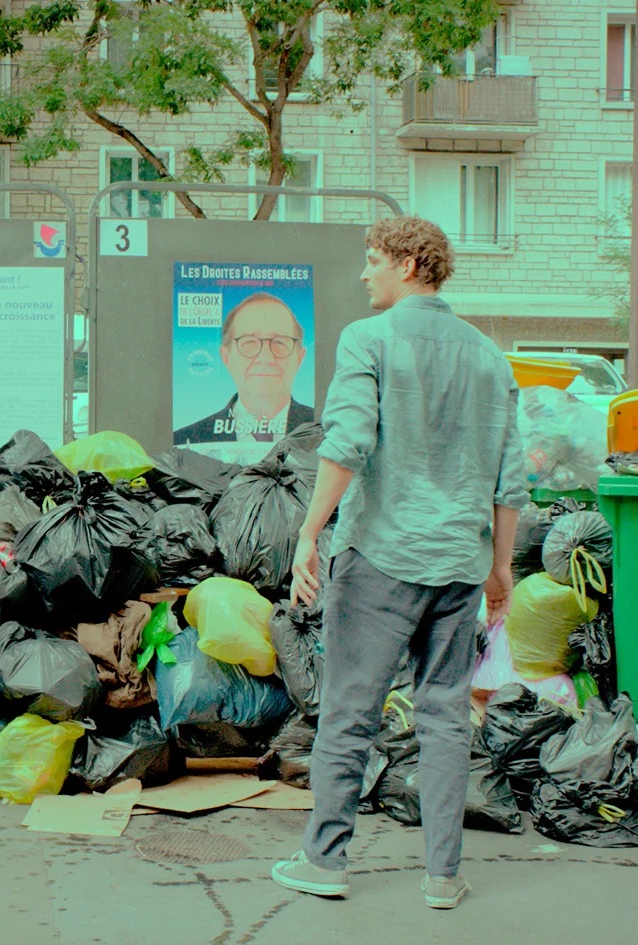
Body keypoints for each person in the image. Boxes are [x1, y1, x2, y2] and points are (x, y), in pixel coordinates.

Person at [269, 216, 526, 910]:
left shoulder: (368, 338)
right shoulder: (490, 357)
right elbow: (510, 480)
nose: (365, 273)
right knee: (445, 715)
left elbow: (347, 443)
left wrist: (308, 533)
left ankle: (325, 860)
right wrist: (500, 568)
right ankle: (443, 875)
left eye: (374, 260)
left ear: (409, 265)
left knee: (350, 709)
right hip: (459, 563)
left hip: (382, 557)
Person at [173, 292, 314, 449]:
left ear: (300, 358)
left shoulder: (328, 435)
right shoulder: (184, 442)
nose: (265, 358)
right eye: (249, 342)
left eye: (280, 342)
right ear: (226, 357)